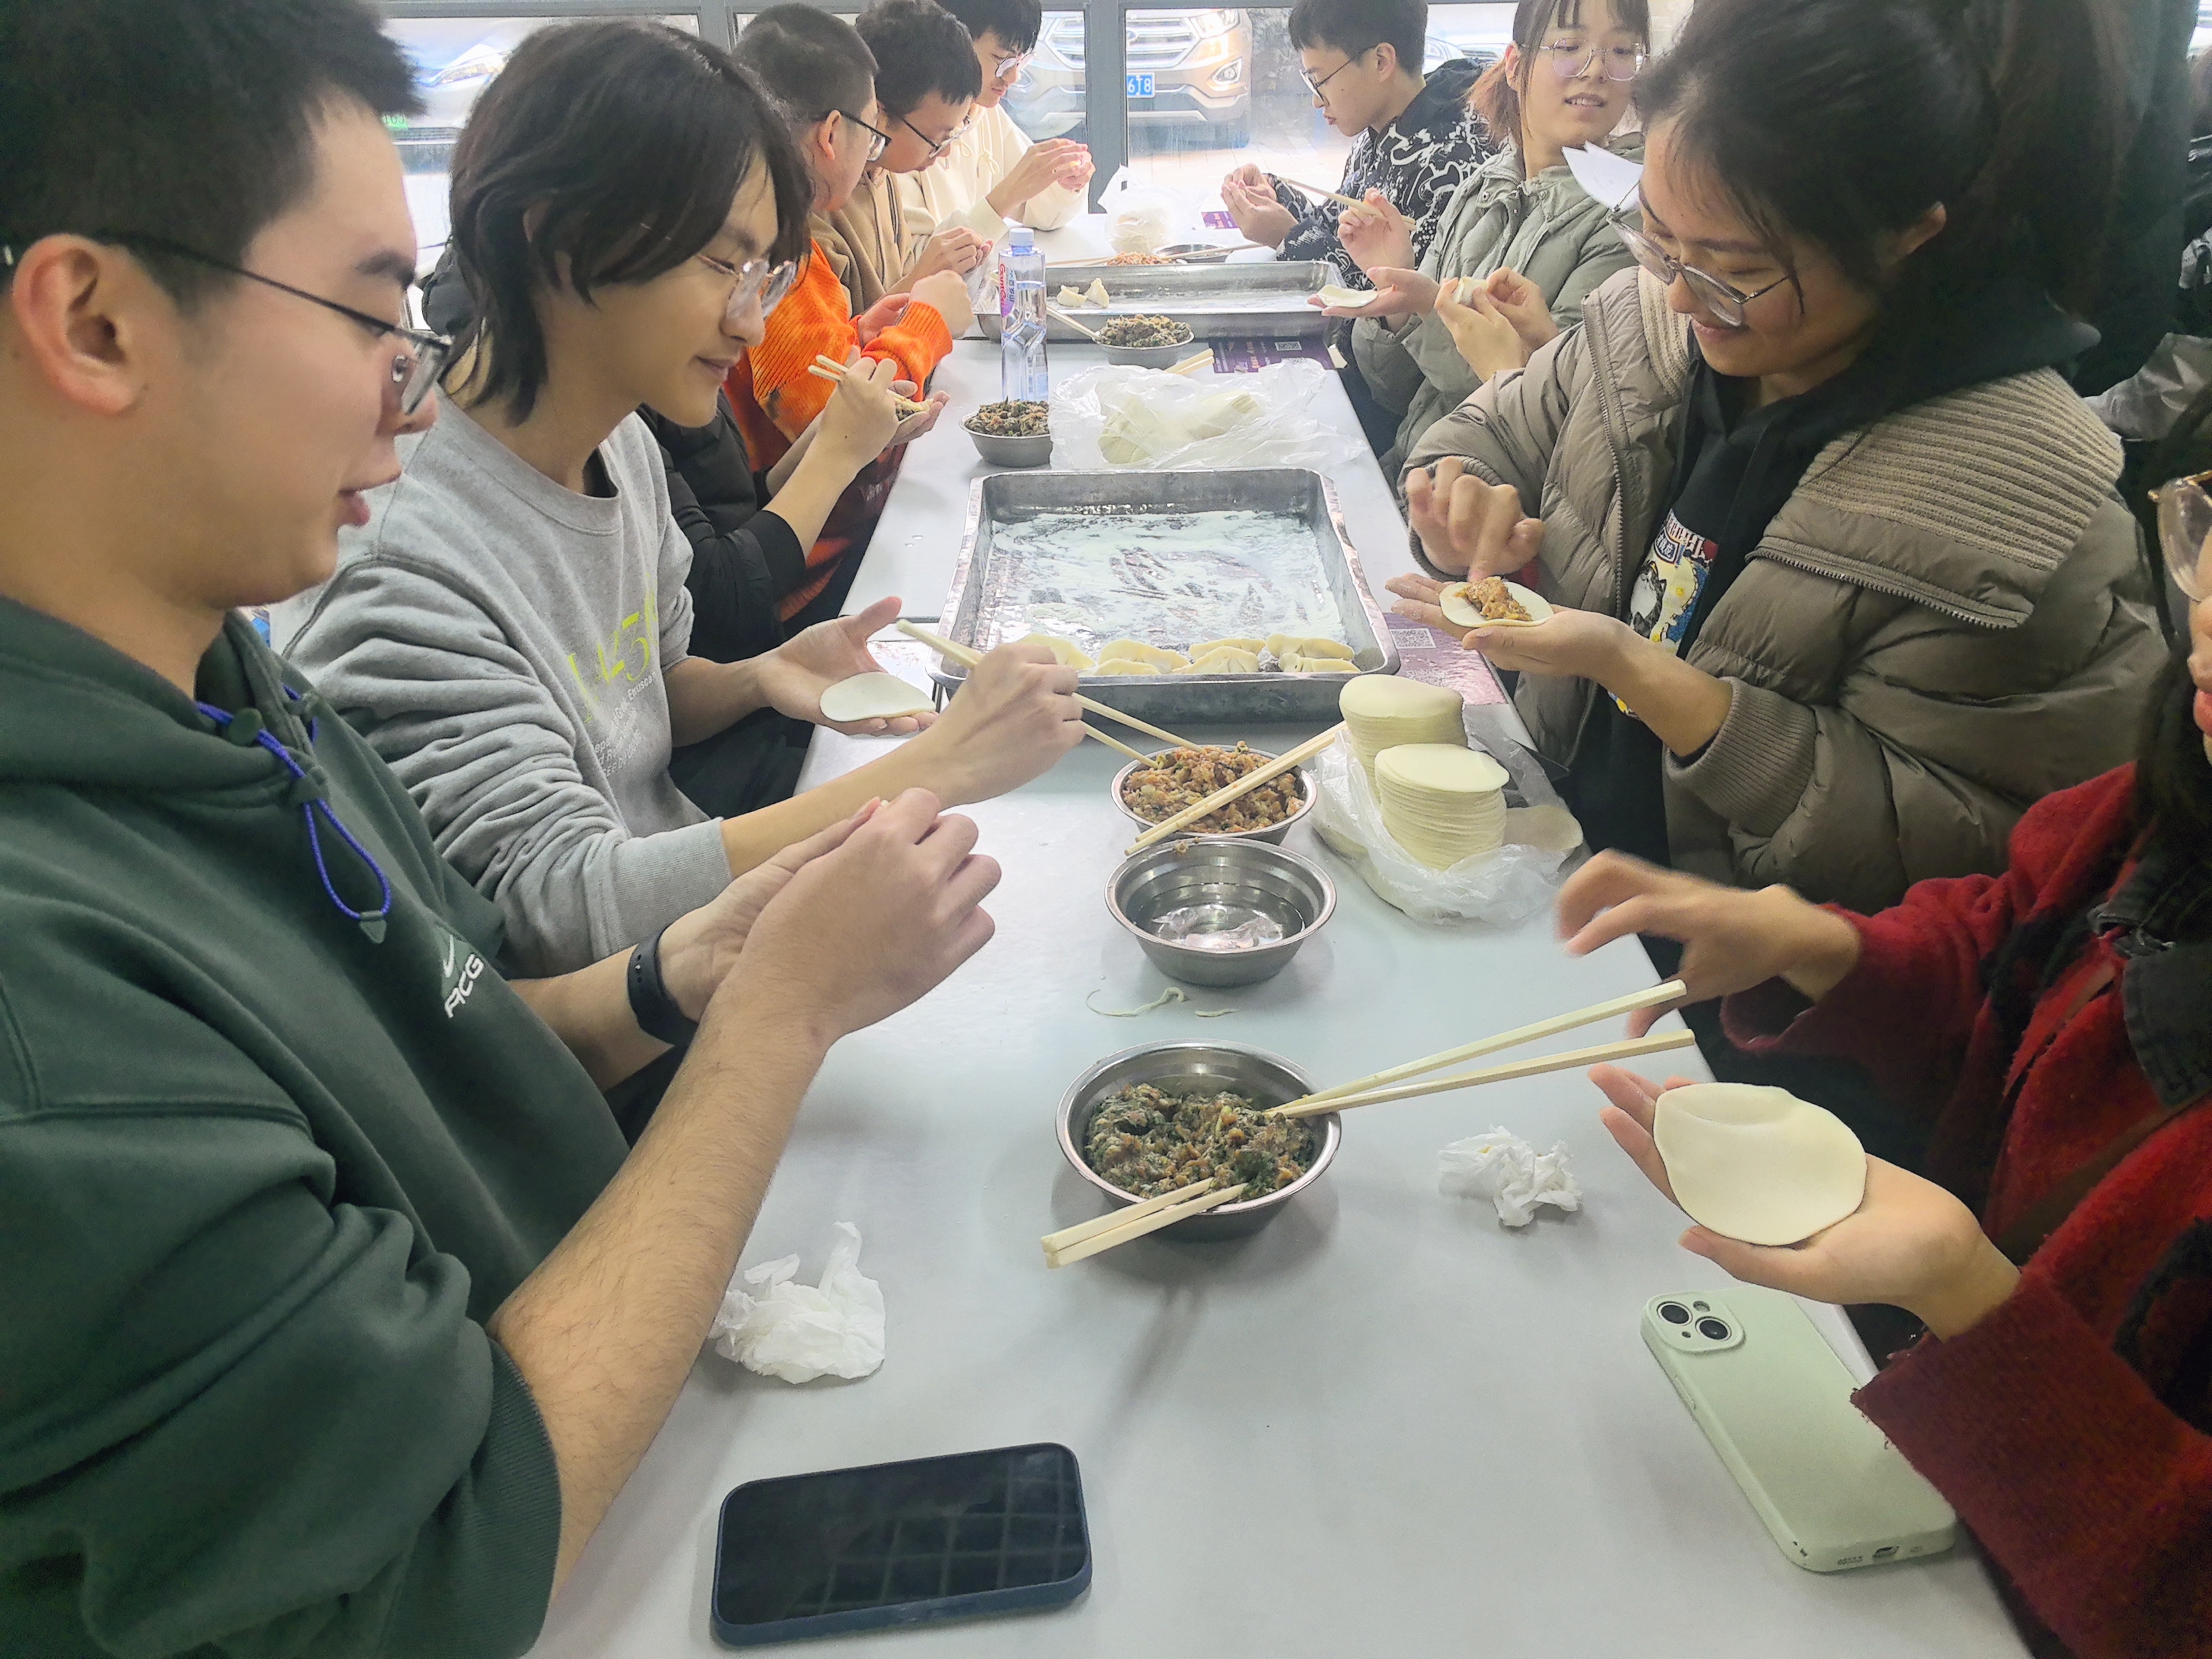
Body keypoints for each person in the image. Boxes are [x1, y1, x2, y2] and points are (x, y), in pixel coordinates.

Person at [0, 1, 1010, 1650]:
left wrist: (687, 973)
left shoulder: (233, 681)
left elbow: (461, 1020)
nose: (411, 395)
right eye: (366, 313)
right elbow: (429, 1568)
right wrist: (777, 1014)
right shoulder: (48, 1014)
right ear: (96, 324)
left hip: (605, 1364)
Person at [275, 20, 1082, 982]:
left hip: (686, 907)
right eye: (722, 266)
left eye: (764, 274)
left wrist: (759, 676)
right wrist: (941, 764)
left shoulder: (617, 437)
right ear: (558, 236)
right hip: (621, 999)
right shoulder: (403, 563)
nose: (749, 320)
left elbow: (644, 694)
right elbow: (562, 911)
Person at [1554, 502, 2212, 1659]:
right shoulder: (2171, 805)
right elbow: (2014, 945)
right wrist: (1824, 947)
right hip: (1939, 1473)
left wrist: (1968, 1297)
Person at [1390, 0, 2165, 924]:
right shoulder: (1647, 318)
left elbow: (1972, 863)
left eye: (1738, 269)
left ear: (1907, 233)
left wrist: (1652, 680)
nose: (1683, 295)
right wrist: (1457, 497)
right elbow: (1488, 431)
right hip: (1550, 871)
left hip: (1734, 980)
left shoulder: (2020, 499)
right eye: (1659, 237)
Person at [728, 4, 974, 629]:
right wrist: (925, 326)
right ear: (833, 133)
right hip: (803, 585)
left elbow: (798, 372)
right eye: (873, 132)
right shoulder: (776, 247)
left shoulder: (779, 229)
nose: (875, 155)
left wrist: (859, 336)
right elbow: (839, 424)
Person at [1326, 0, 1647, 472]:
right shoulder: (1484, 185)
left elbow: (1556, 420)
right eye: (1569, 46)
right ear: (1515, 66)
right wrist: (1397, 290)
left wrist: (1428, 306)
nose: (1596, 69)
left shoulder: (1630, 220)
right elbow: (1396, 393)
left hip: (1484, 492)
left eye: (1620, 51)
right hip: (1414, 469)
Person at [1219, 0, 1490, 288]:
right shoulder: (1379, 132)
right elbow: (1336, 228)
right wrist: (1277, 198)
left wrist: (1288, 237)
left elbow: (1396, 298)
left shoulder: (1451, 166)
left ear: (1381, 62)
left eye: (1320, 80)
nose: (1316, 101)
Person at [830, 0, 992, 316]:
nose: (944, 151)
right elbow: (839, 342)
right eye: (937, 138)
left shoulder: (883, 173)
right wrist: (922, 277)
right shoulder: (826, 197)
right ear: (878, 115)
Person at [896, 0, 1092, 245]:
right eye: (1002, 60)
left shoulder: (984, 113)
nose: (1013, 76)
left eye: (1019, 61)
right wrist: (1006, 197)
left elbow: (1038, 209)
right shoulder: (908, 125)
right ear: (954, 42)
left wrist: (1063, 181)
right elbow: (916, 258)